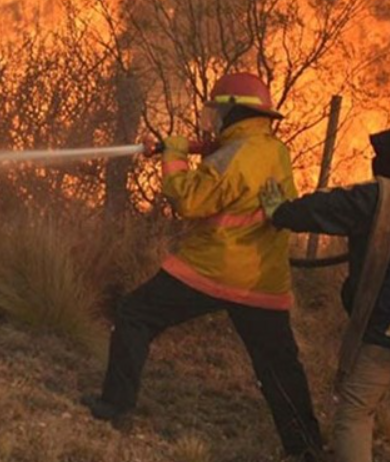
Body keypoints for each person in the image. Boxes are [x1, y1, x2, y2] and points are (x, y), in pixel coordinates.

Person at [81, 72, 324, 461]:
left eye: (218, 111)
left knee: (134, 315)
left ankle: (115, 406)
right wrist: (192, 148)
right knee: (279, 365)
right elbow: (233, 165)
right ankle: (306, 448)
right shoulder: (272, 149)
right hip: (263, 278)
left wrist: (174, 157)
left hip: (212, 269)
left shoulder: (232, 156)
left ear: (233, 112)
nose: (213, 119)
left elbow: (190, 201)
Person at [259, 127, 390, 462]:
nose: (375, 162)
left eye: (379, 156)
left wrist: (280, 211)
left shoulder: (376, 197)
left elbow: (322, 208)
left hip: (387, 338)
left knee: (354, 414)